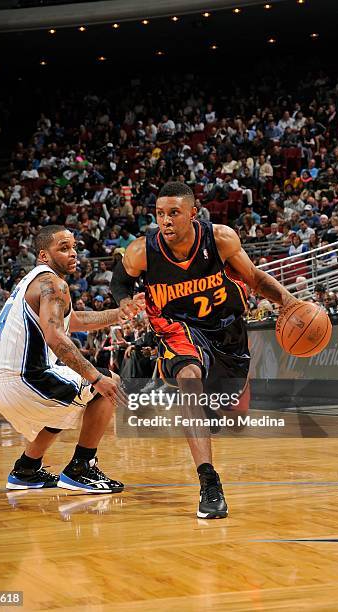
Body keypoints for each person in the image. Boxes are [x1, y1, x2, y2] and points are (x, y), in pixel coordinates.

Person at [111, 182, 298, 519]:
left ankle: (211, 410)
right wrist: (124, 300)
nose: (165, 221)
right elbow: (119, 280)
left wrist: (288, 301)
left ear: (193, 214)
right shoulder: (143, 250)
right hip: (175, 326)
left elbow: (254, 278)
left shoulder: (221, 239)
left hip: (226, 329)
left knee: (235, 419)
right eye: (159, 214)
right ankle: (209, 481)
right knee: (189, 377)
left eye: (173, 213)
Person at [0, 225, 144, 492]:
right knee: (108, 383)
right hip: (24, 380)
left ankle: (26, 469)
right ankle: (81, 468)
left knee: (65, 401)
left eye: (74, 248)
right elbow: (56, 337)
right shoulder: (52, 284)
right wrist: (96, 378)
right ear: (43, 255)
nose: (73, 254)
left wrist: (120, 313)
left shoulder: (32, 281)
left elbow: (75, 321)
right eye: (64, 248)